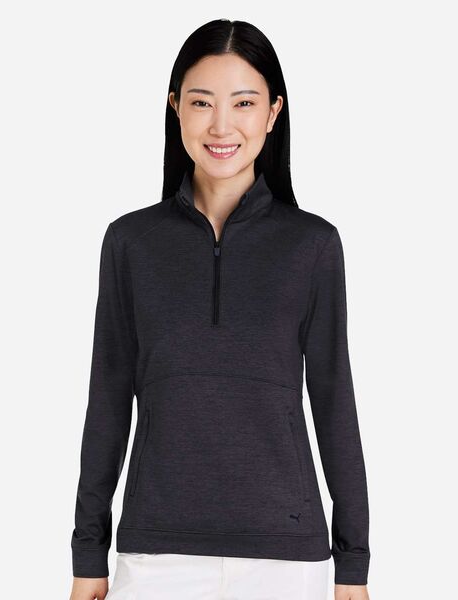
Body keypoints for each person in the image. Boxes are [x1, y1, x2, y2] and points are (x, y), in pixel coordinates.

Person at [69, 18, 371, 600]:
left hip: (287, 558)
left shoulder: (312, 245)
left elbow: (336, 403)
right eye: (203, 102)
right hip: (156, 556)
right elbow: (106, 401)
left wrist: (353, 565)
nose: (222, 125)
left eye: (244, 103)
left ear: (273, 112)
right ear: (175, 107)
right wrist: (88, 553)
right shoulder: (131, 243)